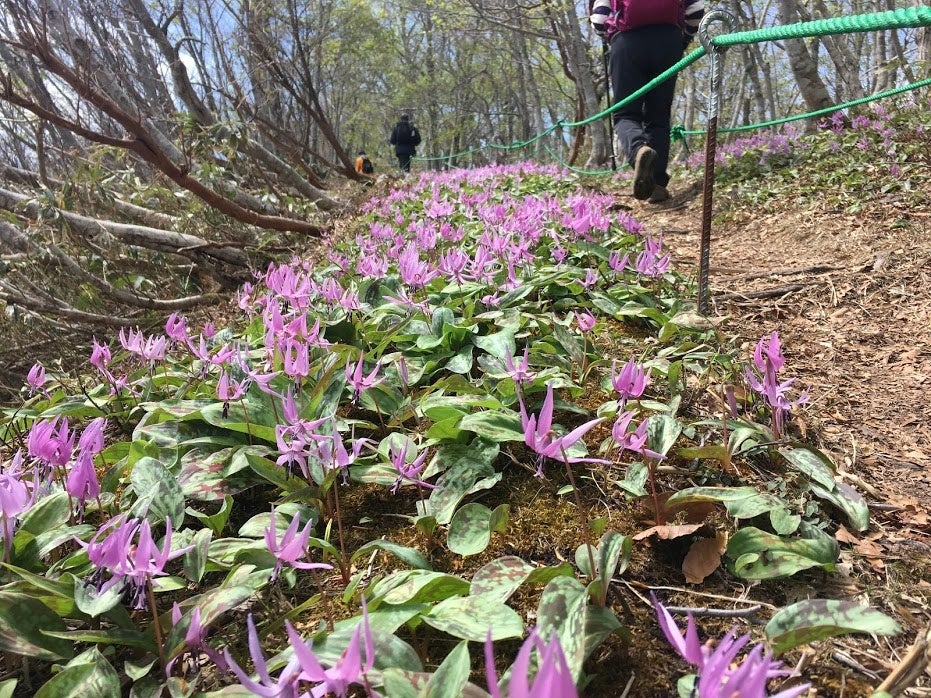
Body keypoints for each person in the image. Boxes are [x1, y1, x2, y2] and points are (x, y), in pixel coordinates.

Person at [591, 0, 704, 203]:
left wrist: (610, 38)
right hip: (668, 40)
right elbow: (696, 11)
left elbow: (599, 19)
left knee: (625, 113)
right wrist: (683, 40)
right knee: (658, 115)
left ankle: (638, 150)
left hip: (626, 42)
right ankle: (657, 185)